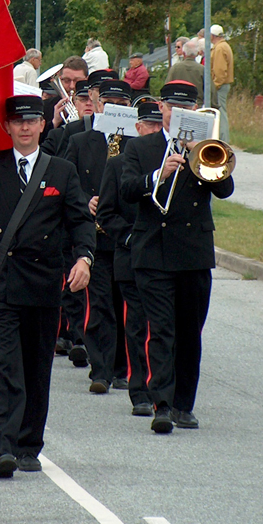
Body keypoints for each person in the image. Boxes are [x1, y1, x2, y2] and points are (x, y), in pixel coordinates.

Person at [0, 95, 95, 478]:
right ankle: (4, 446)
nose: (26, 128)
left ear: (43, 125)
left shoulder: (61, 170)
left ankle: (30, 443)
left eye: (32, 121)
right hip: (1, 285)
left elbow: (80, 221)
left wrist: (84, 258)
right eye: (18, 122)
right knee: (6, 367)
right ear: (8, 127)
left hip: (44, 285)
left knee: (36, 368)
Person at [120, 81, 234, 434]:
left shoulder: (205, 148)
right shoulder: (141, 147)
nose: (177, 114)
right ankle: (162, 404)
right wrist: (158, 174)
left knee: (189, 332)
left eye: (186, 109)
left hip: (194, 254)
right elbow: (125, 190)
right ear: (162, 108)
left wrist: (199, 153)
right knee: (161, 329)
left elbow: (226, 189)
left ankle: (185, 404)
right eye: (171, 107)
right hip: (153, 251)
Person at [96, 100, 163, 417]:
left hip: (166, 257)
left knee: (165, 326)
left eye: (158, 126)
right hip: (132, 256)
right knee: (137, 326)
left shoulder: (177, 162)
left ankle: (164, 386)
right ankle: (140, 390)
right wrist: (129, 237)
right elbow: (106, 213)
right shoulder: (119, 164)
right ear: (137, 129)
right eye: (148, 126)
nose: (154, 131)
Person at [66, 79, 133, 393]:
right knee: (99, 303)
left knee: (125, 305)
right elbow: (66, 181)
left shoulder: (138, 144)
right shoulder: (81, 141)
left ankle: (124, 367)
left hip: (123, 235)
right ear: (99, 104)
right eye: (108, 104)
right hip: (94, 235)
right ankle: (101, 369)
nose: (113, 110)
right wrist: (85, 200)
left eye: (120, 105)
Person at [43, 56, 89, 136]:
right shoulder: (46, 106)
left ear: (87, 79)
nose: (72, 86)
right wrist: (55, 122)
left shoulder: (92, 105)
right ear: (60, 79)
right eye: (67, 81)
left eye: (77, 81)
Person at [210, 24, 234, 142]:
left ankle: (223, 140)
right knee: (221, 112)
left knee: (220, 113)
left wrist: (215, 86)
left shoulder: (219, 48)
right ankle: (222, 138)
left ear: (212, 36)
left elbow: (219, 70)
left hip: (220, 86)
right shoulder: (224, 46)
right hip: (223, 85)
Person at [164, 39, 204, 103]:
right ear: (196, 54)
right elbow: (210, 90)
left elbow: (167, 86)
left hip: (177, 103)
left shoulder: (175, 68)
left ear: (184, 53)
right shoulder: (202, 69)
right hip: (196, 104)